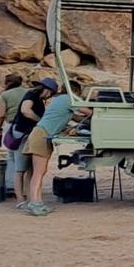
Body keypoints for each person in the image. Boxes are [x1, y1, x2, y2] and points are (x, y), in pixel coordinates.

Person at [20, 84, 90, 216]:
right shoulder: (68, 99)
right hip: (41, 135)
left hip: (43, 134)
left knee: (41, 171)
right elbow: (88, 112)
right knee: (38, 173)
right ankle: (34, 203)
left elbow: (71, 117)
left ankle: (38, 202)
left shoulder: (59, 100)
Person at [11, 77, 59, 211]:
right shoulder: (31, 95)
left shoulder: (38, 100)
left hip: (30, 134)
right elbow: (25, 110)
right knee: (20, 168)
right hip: (22, 134)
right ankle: (20, 199)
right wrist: (40, 121)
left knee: (31, 169)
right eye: (50, 93)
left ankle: (31, 198)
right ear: (46, 90)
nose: (50, 96)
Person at [0, 73, 30, 202]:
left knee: (12, 156)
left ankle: (11, 187)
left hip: (12, 126)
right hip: (29, 126)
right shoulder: (28, 92)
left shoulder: (5, 95)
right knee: (27, 156)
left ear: (8, 83)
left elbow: (1, 114)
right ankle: (27, 188)